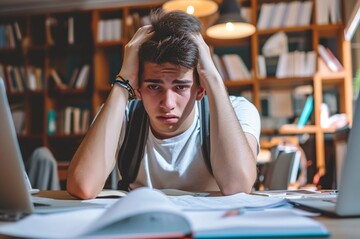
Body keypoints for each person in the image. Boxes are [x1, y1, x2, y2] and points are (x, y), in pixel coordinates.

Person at [67, 9, 260, 199]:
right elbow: (83, 185)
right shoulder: (122, 115)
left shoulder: (238, 111)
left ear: (201, 89)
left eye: (181, 87)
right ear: (139, 89)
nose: (167, 103)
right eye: (153, 86)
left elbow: (239, 186)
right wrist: (123, 81)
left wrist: (213, 78)